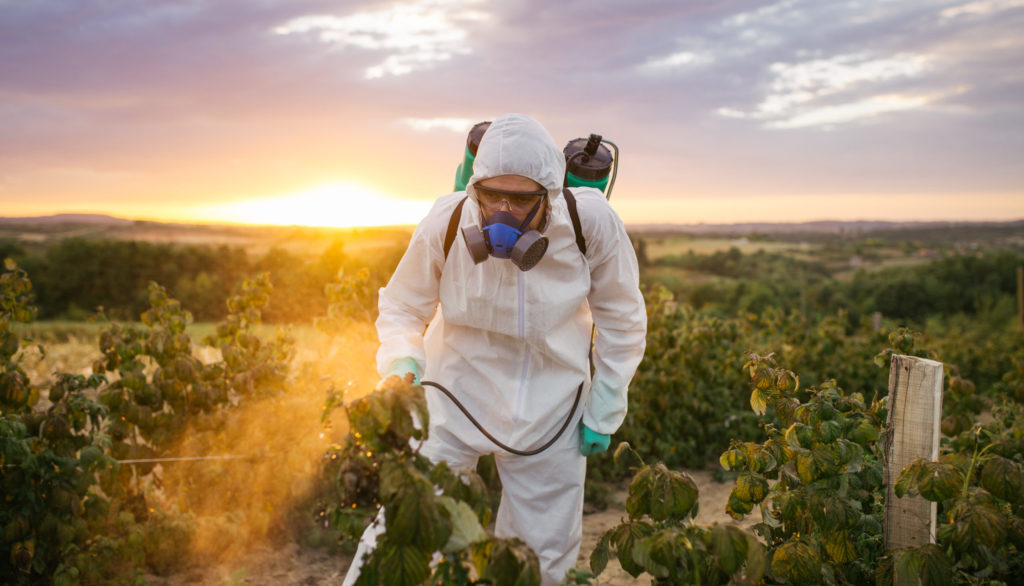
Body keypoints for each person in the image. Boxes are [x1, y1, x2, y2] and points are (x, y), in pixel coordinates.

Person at [343, 113, 647, 585]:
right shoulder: (446, 219)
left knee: (538, 558)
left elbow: (622, 319)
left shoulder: (592, 223)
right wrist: (403, 359)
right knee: (406, 527)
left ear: (550, 194)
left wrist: (605, 404)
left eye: (521, 199)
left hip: (553, 407)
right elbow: (403, 305)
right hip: (454, 395)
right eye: (489, 196)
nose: (502, 211)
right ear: (473, 188)